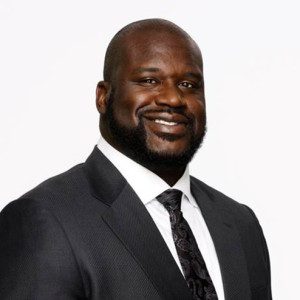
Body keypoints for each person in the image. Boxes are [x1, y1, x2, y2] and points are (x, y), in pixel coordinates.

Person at [0, 19, 271, 300]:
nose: (174, 98)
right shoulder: (45, 220)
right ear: (103, 97)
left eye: (189, 84)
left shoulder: (240, 223)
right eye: (149, 80)